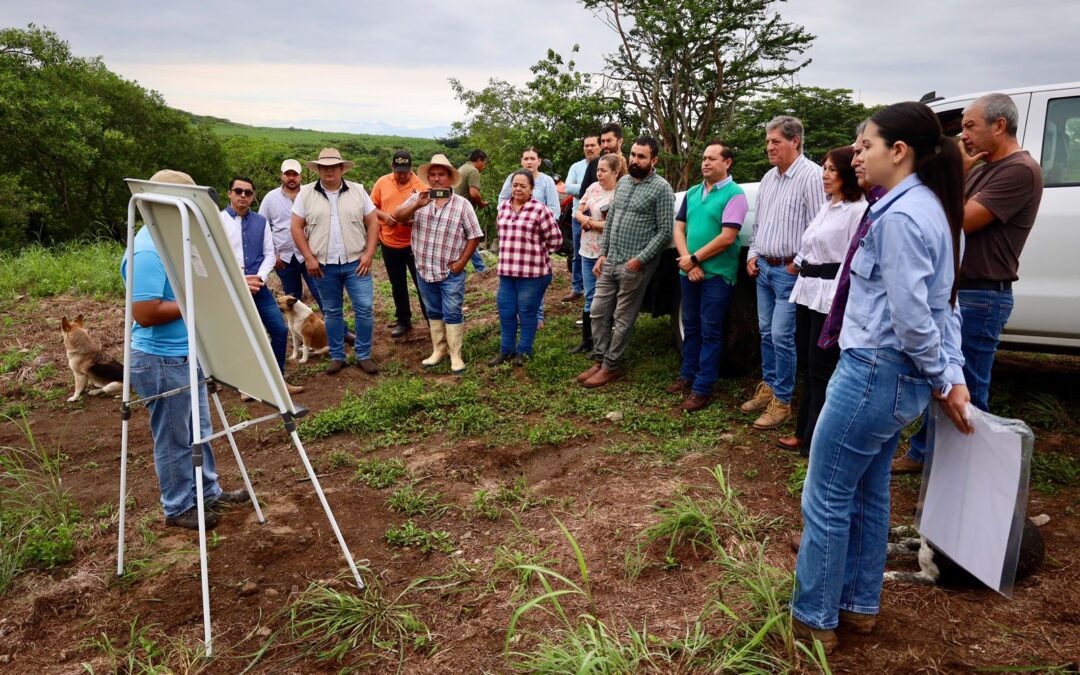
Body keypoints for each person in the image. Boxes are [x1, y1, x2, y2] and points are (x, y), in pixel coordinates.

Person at [790, 102, 972, 655]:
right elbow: (948, 307)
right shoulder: (931, 208)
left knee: (824, 495)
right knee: (868, 494)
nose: (857, 155)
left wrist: (945, 377)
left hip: (873, 371)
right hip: (894, 381)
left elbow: (916, 317)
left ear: (899, 151)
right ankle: (858, 608)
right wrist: (949, 374)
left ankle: (814, 618)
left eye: (865, 145)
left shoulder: (898, 217)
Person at [895, 93, 1044, 474]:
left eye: (970, 126)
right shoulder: (980, 166)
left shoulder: (1019, 169)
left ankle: (959, 478)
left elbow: (960, 219)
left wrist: (956, 174)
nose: (963, 136)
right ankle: (924, 455)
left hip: (982, 293)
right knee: (940, 381)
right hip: (961, 290)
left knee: (968, 389)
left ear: (999, 125)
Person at [123, 169, 249, 530]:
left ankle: (208, 492)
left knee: (201, 427)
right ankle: (178, 506)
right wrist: (200, 299)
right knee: (176, 436)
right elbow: (145, 312)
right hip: (159, 358)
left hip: (185, 350)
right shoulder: (148, 247)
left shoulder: (173, 239)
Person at [774, 147, 865, 452]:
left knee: (822, 369)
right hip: (808, 291)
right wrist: (797, 262)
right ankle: (803, 432)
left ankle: (814, 439)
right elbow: (811, 245)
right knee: (808, 366)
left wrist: (841, 301)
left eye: (832, 170)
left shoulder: (856, 210)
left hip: (829, 296)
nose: (825, 175)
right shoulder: (827, 206)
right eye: (824, 168)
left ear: (846, 175)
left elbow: (852, 259)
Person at [742, 116, 827, 430]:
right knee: (766, 332)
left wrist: (798, 262)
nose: (769, 147)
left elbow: (819, 226)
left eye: (775, 141)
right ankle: (770, 386)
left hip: (789, 271)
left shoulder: (811, 176)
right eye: (768, 142)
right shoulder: (769, 178)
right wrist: (753, 253)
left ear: (796, 141)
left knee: (782, 335)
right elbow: (761, 223)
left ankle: (783, 400)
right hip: (765, 267)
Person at [578, 136, 674, 388]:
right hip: (611, 259)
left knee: (623, 317)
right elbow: (612, 221)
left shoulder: (661, 188)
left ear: (653, 160)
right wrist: (603, 254)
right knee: (598, 311)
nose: (634, 160)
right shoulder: (623, 184)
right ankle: (599, 359)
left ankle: (611, 366)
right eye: (632, 154)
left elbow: (665, 231)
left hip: (635, 264)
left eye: (641, 156)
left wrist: (640, 260)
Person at [666, 142, 749, 411]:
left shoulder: (735, 195)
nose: (705, 163)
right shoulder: (692, 193)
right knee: (690, 326)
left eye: (712, 159)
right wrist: (688, 262)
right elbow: (679, 230)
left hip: (717, 275)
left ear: (728, 163)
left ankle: (702, 388)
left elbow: (727, 237)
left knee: (711, 331)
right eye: (703, 158)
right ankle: (687, 375)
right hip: (688, 271)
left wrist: (695, 259)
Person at [290, 148, 380, 376]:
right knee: (331, 311)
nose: (329, 171)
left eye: (333, 167)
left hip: (356, 262)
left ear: (341, 168)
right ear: (318, 169)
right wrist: (308, 258)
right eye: (324, 167)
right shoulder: (306, 193)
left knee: (365, 309)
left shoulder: (358, 191)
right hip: (322, 264)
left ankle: (363, 354)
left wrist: (369, 254)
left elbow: (372, 222)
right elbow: (296, 227)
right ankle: (338, 356)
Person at [395, 154, 483, 374]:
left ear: (449, 179)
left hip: (450, 270)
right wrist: (417, 205)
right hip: (424, 268)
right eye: (432, 175)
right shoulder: (418, 197)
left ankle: (455, 354)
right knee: (433, 310)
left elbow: (474, 236)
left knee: (452, 311)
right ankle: (438, 350)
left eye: (441, 175)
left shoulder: (462, 205)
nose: (436, 179)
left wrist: (462, 262)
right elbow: (398, 217)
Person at [219, 176, 302, 397]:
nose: (243, 196)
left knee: (279, 329)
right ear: (229, 193)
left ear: (253, 196)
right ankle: (248, 385)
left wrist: (260, 278)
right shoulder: (218, 222)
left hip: (259, 287)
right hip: (232, 288)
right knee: (242, 336)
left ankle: (277, 380)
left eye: (248, 192)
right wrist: (239, 280)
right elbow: (215, 257)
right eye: (238, 191)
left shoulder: (261, 221)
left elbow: (268, 254)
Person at [488, 170, 564, 367]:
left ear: (531, 189)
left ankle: (524, 351)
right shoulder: (503, 208)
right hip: (506, 272)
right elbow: (503, 235)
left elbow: (556, 241)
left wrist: (535, 251)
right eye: (515, 185)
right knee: (505, 311)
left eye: (523, 185)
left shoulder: (540, 210)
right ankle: (506, 350)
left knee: (527, 311)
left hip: (533, 273)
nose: (518, 189)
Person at [570, 152, 627, 355]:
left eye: (603, 170)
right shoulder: (593, 188)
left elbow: (614, 225)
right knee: (589, 295)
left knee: (605, 298)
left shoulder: (620, 193)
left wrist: (590, 223)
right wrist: (583, 219)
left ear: (615, 172)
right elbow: (578, 209)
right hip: (587, 250)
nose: (599, 174)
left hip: (608, 252)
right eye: (597, 170)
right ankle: (588, 340)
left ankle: (604, 340)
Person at [370, 151, 428, 338]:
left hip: (413, 243)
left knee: (422, 284)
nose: (402, 175)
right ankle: (403, 320)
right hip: (389, 242)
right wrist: (385, 216)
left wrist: (408, 220)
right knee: (397, 283)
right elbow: (371, 207)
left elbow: (427, 215)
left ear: (411, 168)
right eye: (398, 171)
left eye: (405, 171)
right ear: (392, 167)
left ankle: (430, 319)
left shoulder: (421, 186)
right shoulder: (382, 182)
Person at [259, 159, 323, 310]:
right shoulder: (270, 198)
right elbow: (262, 227)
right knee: (292, 300)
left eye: (295, 174)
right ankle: (298, 333)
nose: (291, 177)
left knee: (322, 293)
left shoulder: (312, 194)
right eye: (288, 174)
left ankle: (341, 331)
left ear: (300, 176)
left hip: (310, 255)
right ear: (282, 176)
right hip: (284, 258)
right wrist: (272, 255)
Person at [563, 134, 602, 303]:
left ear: (599, 146)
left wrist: (583, 188)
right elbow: (568, 187)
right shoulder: (576, 167)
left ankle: (596, 288)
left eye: (593, 145)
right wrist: (592, 185)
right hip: (578, 217)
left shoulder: (604, 164)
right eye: (586, 145)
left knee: (601, 253)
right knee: (578, 252)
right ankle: (577, 287)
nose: (589, 148)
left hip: (601, 218)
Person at [455, 149, 490, 273]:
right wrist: (481, 204)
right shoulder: (473, 170)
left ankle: (479, 266)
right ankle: (480, 268)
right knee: (473, 237)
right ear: (479, 160)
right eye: (484, 163)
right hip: (463, 210)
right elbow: (474, 194)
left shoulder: (463, 168)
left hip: (456, 208)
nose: (484, 166)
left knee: (467, 237)